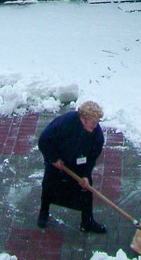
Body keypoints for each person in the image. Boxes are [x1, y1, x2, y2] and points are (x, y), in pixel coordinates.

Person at [36, 100, 107, 234]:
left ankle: (87, 222)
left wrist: (86, 174)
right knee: (49, 186)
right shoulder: (65, 123)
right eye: (92, 124)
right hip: (58, 161)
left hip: (80, 164)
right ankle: (43, 213)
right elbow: (43, 140)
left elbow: (92, 157)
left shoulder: (97, 135)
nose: (95, 127)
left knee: (86, 190)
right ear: (83, 119)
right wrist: (53, 159)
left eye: (96, 123)